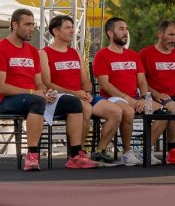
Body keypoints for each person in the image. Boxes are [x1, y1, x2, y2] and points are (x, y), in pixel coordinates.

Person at [40, 14, 120, 168]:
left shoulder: (75, 52)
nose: (72, 31)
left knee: (116, 112)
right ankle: (77, 154)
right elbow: (47, 82)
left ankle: (99, 151)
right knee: (86, 108)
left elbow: (85, 79)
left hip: (81, 95)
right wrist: (75, 93)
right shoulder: (44, 53)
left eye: (73, 27)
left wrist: (87, 92)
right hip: (61, 97)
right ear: (56, 31)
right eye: (68, 28)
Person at [0, 8, 57, 171]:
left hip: (32, 98)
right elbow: (0, 87)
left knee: (72, 103)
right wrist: (33, 93)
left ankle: (75, 155)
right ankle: (32, 155)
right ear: (15, 25)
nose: (31, 28)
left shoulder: (32, 51)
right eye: (27, 24)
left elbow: (39, 82)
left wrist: (46, 92)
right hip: (7, 101)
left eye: (33, 25)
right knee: (37, 101)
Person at [92, 17, 149, 166]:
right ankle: (127, 152)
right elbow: (105, 84)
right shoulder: (102, 55)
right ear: (110, 33)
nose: (125, 32)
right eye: (121, 29)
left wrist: (144, 98)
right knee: (128, 111)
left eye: (126, 29)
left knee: (165, 112)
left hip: (135, 98)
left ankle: (146, 152)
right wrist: (126, 98)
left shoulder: (133, 55)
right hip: (112, 98)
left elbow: (142, 81)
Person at [139, 19, 175, 165]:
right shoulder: (146, 53)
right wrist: (155, 93)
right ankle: (161, 150)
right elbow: (141, 80)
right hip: (157, 97)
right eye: (170, 35)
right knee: (174, 108)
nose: (174, 39)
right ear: (160, 34)